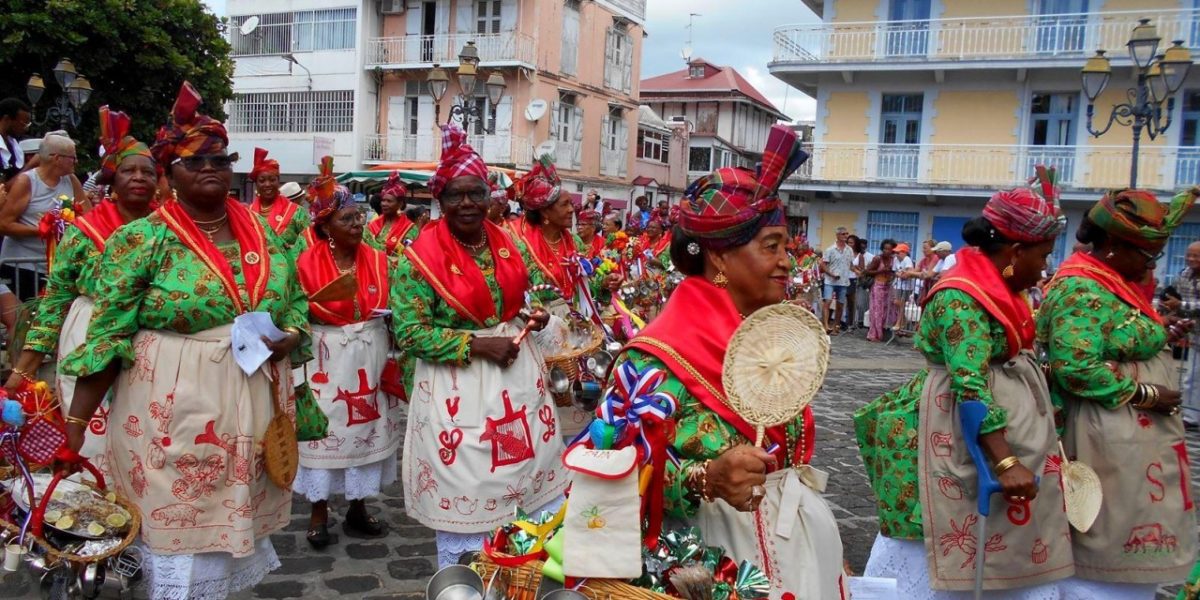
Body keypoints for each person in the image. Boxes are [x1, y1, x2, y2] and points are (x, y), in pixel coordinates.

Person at [58, 82, 309, 599]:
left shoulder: (264, 235)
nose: (210, 168)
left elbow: (297, 301)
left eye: (220, 158)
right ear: (170, 173)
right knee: (181, 516)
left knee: (229, 516)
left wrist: (292, 336)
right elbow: (108, 334)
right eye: (195, 162)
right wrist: (76, 427)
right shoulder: (141, 239)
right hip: (172, 404)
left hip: (252, 391)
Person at [621, 125, 844, 598]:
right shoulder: (656, 357)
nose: (788, 261)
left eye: (787, 245)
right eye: (772, 246)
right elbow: (610, 468)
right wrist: (706, 479)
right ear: (720, 256)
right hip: (714, 563)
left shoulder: (767, 338)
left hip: (796, 549)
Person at [856, 184, 1072, 597]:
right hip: (955, 427)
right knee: (946, 526)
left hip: (992, 424)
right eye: (1043, 255)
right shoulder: (961, 294)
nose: (1045, 268)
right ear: (1014, 251)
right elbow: (969, 384)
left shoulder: (1002, 289)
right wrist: (1006, 462)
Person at [391, 122, 566, 568]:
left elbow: (529, 297)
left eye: (476, 193)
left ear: (490, 196)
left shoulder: (507, 242)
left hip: (518, 381)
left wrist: (535, 315)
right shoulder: (419, 258)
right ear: (440, 200)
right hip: (458, 389)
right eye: (455, 194)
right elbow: (409, 333)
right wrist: (477, 346)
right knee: (470, 491)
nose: (467, 202)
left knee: (528, 488)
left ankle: (519, 580)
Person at [1040, 188, 1198, 599]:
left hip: (1131, 431)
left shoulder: (1110, 283)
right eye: (1146, 256)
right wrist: (1146, 392)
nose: (1149, 267)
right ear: (1111, 245)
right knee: (1108, 528)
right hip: (1104, 432)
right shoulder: (1080, 288)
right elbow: (1075, 367)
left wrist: (1157, 331)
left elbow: (1114, 334)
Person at [7, 106, 157, 478]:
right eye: (129, 170)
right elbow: (56, 299)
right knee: (92, 438)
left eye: (148, 172)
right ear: (113, 179)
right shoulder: (84, 232)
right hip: (88, 336)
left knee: (146, 436)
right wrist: (24, 368)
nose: (138, 178)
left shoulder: (171, 231)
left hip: (152, 345)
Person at [293, 165, 398, 549]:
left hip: (370, 355)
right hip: (326, 358)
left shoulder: (379, 259)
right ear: (325, 226)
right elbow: (292, 309)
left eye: (359, 216)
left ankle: (357, 506)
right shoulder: (305, 263)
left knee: (365, 430)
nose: (357, 224)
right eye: (347, 218)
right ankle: (318, 512)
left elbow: (396, 305)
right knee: (326, 431)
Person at [512, 155, 618, 312]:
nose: (571, 210)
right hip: (538, 322)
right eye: (564, 205)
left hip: (574, 317)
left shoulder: (575, 242)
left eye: (571, 203)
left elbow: (586, 283)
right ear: (545, 213)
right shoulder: (520, 242)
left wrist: (605, 282)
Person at [0, 130, 86, 300]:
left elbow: (89, 216)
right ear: (56, 158)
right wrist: (43, 231)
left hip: (56, 266)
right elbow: (4, 224)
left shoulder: (71, 179)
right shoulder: (26, 182)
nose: (76, 161)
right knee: (25, 321)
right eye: (72, 157)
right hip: (22, 266)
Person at [250, 147, 310, 254]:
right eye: (262, 181)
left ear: (278, 181)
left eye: (272, 180)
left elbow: (310, 244)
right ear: (256, 184)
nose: (267, 184)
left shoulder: (297, 212)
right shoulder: (247, 213)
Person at [1166, 240, 1200, 427]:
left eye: (1196, 255)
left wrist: (1181, 306)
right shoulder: (1183, 275)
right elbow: (1176, 299)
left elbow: (1183, 304)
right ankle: (1190, 417)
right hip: (1195, 333)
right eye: (1189, 254)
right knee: (1191, 377)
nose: (1190, 259)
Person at [365, 172, 418, 255]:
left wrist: (374, 245)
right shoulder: (373, 224)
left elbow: (404, 256)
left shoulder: (410, 229)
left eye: (389, 201)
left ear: (400, 204)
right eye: (383, 200)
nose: (384, 204)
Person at [864, 239, 898, 342]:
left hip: (888, 287)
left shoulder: (894, 260)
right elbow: (867, 271)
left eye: (889, 249)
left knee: (885, 312)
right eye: (885, 249)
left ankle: (882, 332)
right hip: (877, 286)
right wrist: (880, 271)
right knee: (876, 311)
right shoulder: (877, 259)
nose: (886, 251)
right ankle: (873, 334)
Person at [821, 227, 854, 334]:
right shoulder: (830, 249)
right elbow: (823, 265)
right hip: (830, 281)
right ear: (838, 235)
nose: (845, 236)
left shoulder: (849, 250)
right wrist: (831, 274)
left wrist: (858, 271)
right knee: (828, 301)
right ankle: (825, 325)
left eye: (846, 234)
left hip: (843, 281)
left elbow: (850, 265)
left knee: (840, 304)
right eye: (843, 234)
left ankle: (836, 326)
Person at [0, 98, 31, 182]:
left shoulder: (14, 146)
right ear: (6, 119)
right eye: (23, 124)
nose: (26, 129)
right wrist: (30, 166)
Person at [892, 242, 917, 334]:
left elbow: (907, 273)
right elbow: (896, 272)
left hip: (907, 286)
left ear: (904, 252)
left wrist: (902, 274)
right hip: (898, 284)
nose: (896, 254)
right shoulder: (895, 260)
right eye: (896, 252)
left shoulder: (907, 260)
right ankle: (904, 320)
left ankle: (899, 322)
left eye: (898, 253)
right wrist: (900, 274)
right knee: (896, 302)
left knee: (901, 303)